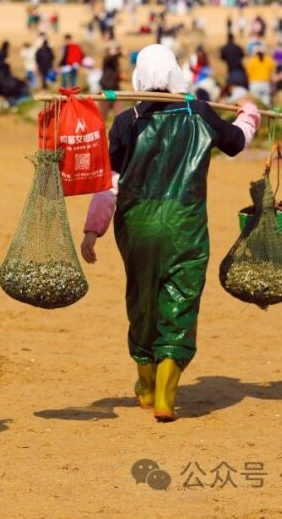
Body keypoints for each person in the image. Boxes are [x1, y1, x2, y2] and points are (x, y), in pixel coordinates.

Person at [80, 44, 261, 422]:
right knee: (180, 298)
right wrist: (249, 116)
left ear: (141, 77)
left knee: (142, 296)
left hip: (137, 224)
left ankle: (145, 382)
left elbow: (108, 183)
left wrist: (93, 230)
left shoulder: (127, 121)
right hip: (186, 222)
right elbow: (235, 142)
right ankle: (166, 394)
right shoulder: (199, 112)